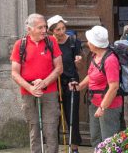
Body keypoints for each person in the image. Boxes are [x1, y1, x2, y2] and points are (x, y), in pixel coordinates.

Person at [10, 14, 64, 153]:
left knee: (51, 128)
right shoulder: (19, 45)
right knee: (34, 128)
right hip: (28, 93)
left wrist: (44, 83)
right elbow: (14, 72)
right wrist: (30, 87)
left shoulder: (51, 41)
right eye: (40, 27)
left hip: (50, 91)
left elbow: (59, 68)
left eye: (45, 27)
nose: (44, 30)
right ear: (29, 29)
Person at [69, 25, 122, 147]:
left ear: (95, 44)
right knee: (96, 138)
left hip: (109, 106)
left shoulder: (110, 60)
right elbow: (91, 76)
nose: (87, 42)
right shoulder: (95, 55)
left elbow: (114, 87)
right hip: (95, 102)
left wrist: (102, 107)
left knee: (109, 142)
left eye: (89, 40)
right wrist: (79, 86)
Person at [46, 15, 83, 153]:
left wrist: (79, 62)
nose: (61, 32)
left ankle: (74, 148)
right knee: (54, 116)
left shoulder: (73, 41)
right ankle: (53, 147)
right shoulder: (48, 43)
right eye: (57, 30)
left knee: (72, 115)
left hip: (71, 82)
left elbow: (79, 66)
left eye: (63, 28)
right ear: (51, 31)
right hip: (54, 83)